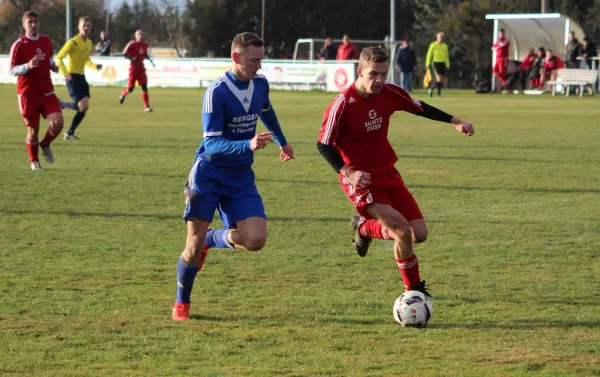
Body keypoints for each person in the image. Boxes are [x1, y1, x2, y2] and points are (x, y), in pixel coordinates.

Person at [317, 46, 474, 304]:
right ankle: (414, 291)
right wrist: (349, 172)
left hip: (388, 172)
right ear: (360, 71)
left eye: (383, 73)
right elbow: (323, 143)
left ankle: (365, 228)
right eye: (373, 74)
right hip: (362, 180)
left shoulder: (389, 91)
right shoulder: (342, 104)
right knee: (401, 231)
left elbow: (418, 106)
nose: (378, 80)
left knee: (418, 234)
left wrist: (455, 120)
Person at [171, 32, 295, 321]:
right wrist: (247, 144)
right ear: (236, 57)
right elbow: (211, 143)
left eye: (261, 60)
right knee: (191, 246)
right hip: (209, 175)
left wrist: (281, 139)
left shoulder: (260, 84)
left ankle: (212, 239)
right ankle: (181, 303)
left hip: (240, 176)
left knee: (256, 240)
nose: (259, 66)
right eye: (254, 60)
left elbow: (266, 109)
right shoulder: (217, 92)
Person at [9, 10, 64, 171]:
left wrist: (53, 65)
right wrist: (28, 66)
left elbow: (49, 58)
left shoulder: (46, 41)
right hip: (28, 95)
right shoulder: (19, 45)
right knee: (33, 130)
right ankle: (34, 161)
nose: (33, 25)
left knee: (58, 122)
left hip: (47, 92)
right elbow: (11, 70)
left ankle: (45, 143)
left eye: (36, 21)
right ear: (24, 24)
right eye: (30, 22)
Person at [56, 16, 103, 140]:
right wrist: (65, 73)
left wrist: (94, 66)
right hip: (72, 77)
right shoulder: (73, 42)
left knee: (84, 107)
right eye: (84, 25)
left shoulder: (89, 42)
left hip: (82, 77)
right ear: (79, 27)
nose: (86, 28)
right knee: (83, 106)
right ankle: (61, 105)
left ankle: (70, 132)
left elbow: (86, 59)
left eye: (88, 26)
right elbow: (59, 57)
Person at [119, 29, 152, 112]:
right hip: (133, 69)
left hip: (141, 68)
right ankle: (123, 94)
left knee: (144, 86)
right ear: (136, 36)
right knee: (131, 89)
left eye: (142, 35)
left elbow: (143, 53)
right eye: (139, 35)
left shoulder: (145, 45)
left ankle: (146, 106)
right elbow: (123, 54)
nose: (141, 36)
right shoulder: (132, 44)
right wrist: (132, 58)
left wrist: (147, 57)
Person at [425, 32, 450, 97]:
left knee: (441, 80)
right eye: (440, 37)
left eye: (442, 37)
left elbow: (446, 56)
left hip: (443, 63)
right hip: (436, 63)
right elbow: (429, 55)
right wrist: (428, 63)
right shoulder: (433, 45)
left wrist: (447, 65)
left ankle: (432, 89)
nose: (441, 38)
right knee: (439, 79)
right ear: (437, 38)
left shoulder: (445, 46)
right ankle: (437, 93)